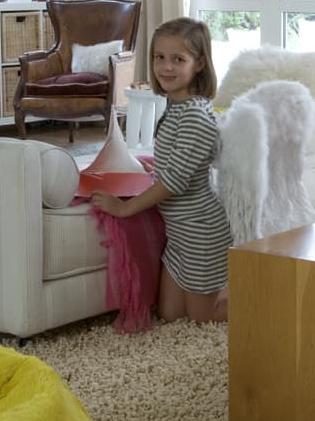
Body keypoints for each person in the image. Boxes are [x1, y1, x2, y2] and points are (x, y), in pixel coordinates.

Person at [91, 17, 232, 323]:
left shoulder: (195, 116)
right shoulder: (176, 106)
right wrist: (144, 167)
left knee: (201, 318)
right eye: (159, 58)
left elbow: (175, 183)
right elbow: (176, 163)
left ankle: (266, 297)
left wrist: (124, 209)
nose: (166, 67)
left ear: (199, 64)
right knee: (169, 314)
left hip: (201, 231)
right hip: (178, 232)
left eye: (178, 59)